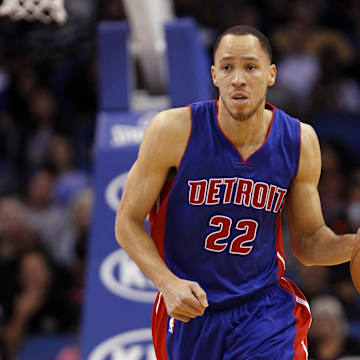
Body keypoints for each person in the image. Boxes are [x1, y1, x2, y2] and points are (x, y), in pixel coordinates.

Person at [115, 25, 360, 359]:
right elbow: (127, 221)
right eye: (228, 67)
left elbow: (309, 242)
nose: (238, 79)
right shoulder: (173, 131)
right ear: (214, 75)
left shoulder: (299, 141)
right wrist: (166, 282)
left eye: (250, 67)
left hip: (263, 308)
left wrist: (353, 245)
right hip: (191, 311)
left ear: (271, 74)